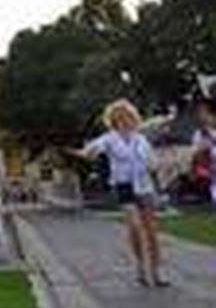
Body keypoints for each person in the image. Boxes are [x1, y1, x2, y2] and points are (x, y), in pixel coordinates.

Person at [71, 99, 169, 287]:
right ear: (114, 121)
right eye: (120, 118)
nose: (125, 121)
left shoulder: (141, 139)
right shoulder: (109, 139)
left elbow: (152, 162)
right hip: (124, 185)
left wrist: (157, 168)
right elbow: (91, 150)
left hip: (144, 185)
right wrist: (81, 154)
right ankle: (140, 266)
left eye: (128, 117)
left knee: (151, 232)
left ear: (134, 118)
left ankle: (156, 273)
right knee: (133, 225)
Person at [192, 98, 216, 207]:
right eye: (199, 112)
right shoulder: (200, 134)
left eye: (204, 112)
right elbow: (197, 154)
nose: (201, 116)